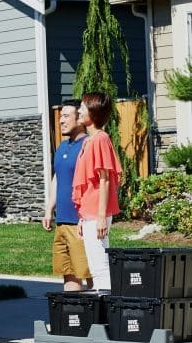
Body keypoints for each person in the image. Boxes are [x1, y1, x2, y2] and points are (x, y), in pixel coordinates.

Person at [72, 92, 122, 290]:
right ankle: (101, 308)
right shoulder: (88, 141)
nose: (79, 111)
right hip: (89, 213)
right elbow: (88, 183)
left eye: (83, 107)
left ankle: (107, 311)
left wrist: (101, 215)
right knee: (94, 265)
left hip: (97, 212)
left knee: (100, 265)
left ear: (93, 112)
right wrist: (82, 218)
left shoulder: (101, 139)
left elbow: (105, 178)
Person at [43, 100, 93, 291]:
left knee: (89, 273)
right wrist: (49, 209)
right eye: (60, 116)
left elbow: (94, 183)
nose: (61, 120)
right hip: (62, 222)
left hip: (80, 224)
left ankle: (99, 317)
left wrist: (86, 217)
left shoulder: (87, 145)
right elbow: (58, 177)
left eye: (66, 116)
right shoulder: (62, 147)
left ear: (79, 119)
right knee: (69, 274)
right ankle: (74, 316)